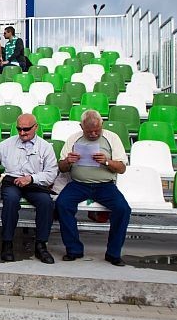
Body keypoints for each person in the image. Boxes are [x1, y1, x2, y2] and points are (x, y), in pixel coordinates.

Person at [56, 110, 131, 266]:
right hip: (78, 184)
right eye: (89, 131)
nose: (93, 134)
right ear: (81, 127)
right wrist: (68, 161)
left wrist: (107, 161)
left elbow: (122, 168)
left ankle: (113, 253)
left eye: (97, 130)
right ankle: (73, 249)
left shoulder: (112, 138)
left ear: (102, 124)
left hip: (105, 185)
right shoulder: (73, 139)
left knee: (123, 209)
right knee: (62, 204)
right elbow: (62, 168)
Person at [0, 114, 58, 264]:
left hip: (34, 183)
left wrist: (31, 178)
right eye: (19, 129)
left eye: (26, 129)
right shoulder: (8, 143)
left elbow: (51, 174)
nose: (22, 133)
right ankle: (7, 243)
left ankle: (41, 245)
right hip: (12, 180)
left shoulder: (45, 147)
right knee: (10, 200)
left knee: (46, 202)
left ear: (36, 127)